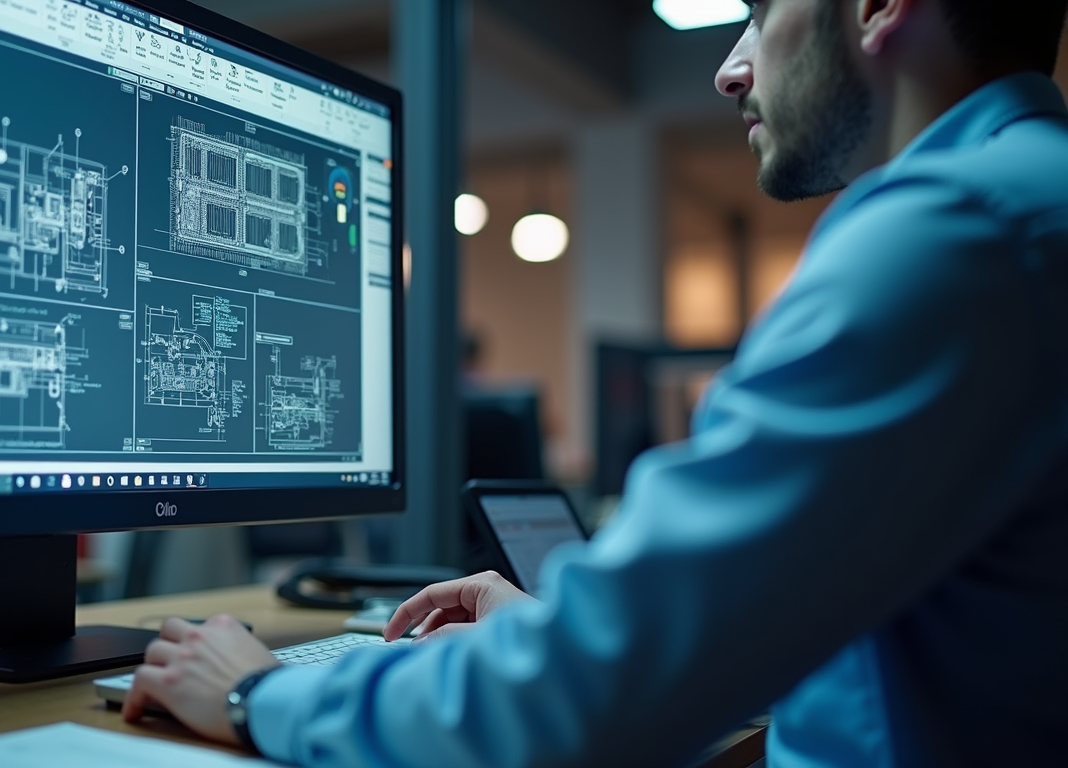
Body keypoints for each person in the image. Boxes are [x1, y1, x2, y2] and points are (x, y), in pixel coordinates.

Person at [122, 1, 1068, 764]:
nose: (730, 68)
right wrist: (571, 633)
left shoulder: (953, 234)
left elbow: (588, 713)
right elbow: (916, 641)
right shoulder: (1028, 196)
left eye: (760, 9)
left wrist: (262, 693)